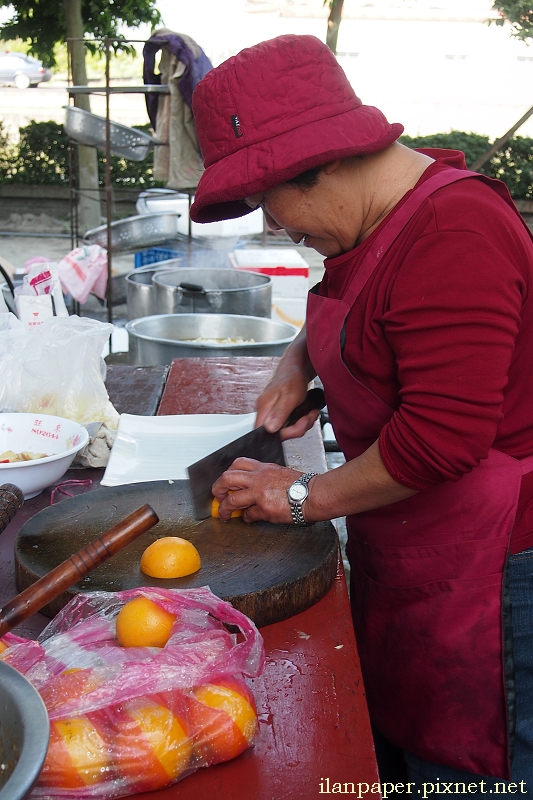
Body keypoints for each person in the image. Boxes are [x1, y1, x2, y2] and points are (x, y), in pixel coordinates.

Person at [189, 34, 533, 791]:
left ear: (314, 166)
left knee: (472, 771)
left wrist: (298, 496)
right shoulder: (386, 215)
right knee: (402, 749)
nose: (275, 225)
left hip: (492, 569)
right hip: (417, 546)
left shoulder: (451, 232)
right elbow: (372, 310)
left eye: (265, 199)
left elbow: (441, 440)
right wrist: (296, 364)